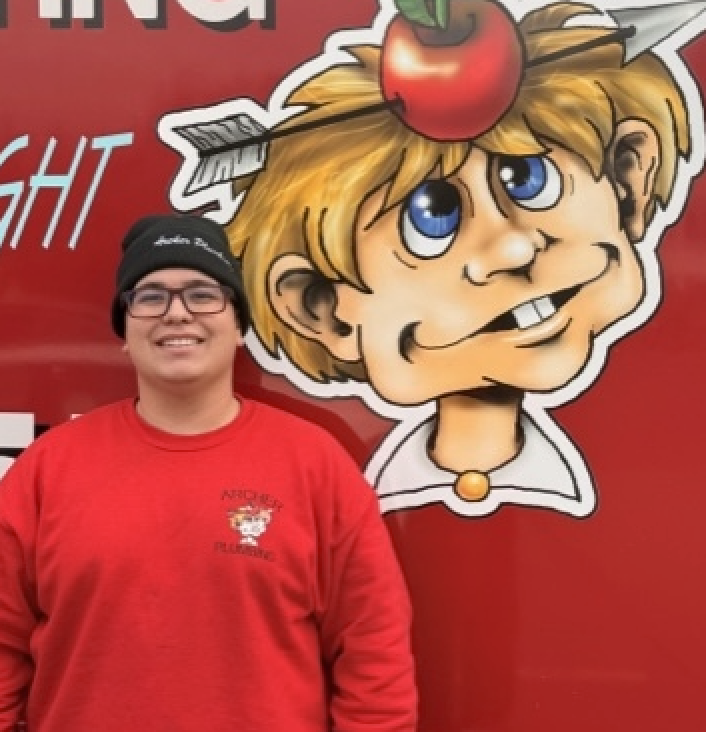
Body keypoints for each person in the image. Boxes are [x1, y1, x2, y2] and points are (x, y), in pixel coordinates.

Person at [222, 2, 698, 518]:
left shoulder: (669, 455)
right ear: (321, 308)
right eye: (433, 217)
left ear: (627, 178)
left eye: (528, 179)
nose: (514, 250)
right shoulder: (325, 495)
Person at [0, 214, 417, 732]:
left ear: (238, 326)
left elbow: (374, 651)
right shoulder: (47, 469)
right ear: (124, 332)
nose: (177, 313)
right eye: (150, 297)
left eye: (203, 294)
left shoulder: (315, 465)